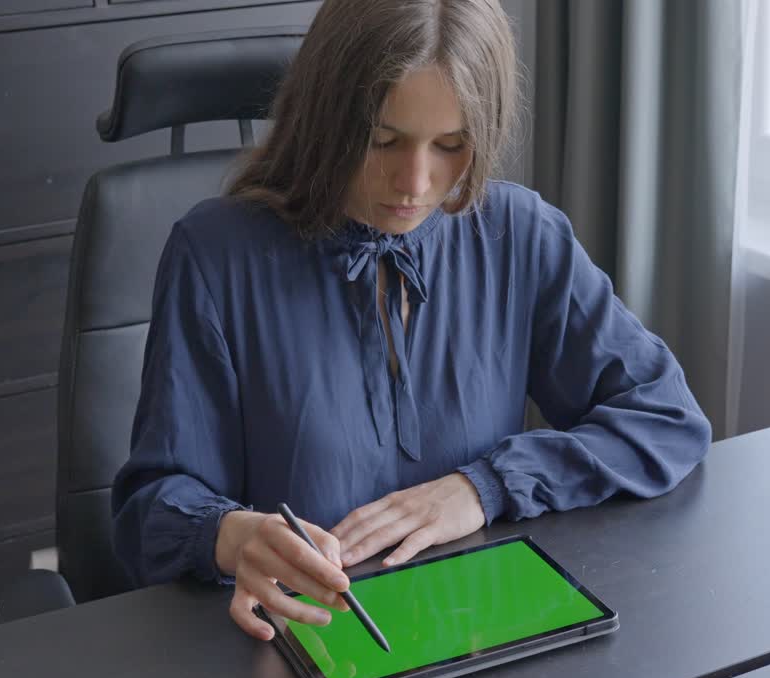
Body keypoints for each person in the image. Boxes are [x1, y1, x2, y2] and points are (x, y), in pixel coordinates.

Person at [112, 0, 712, 643]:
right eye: (382, 140)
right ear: (327, 120)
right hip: (294, 648)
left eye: (451, 146)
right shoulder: (216, 256)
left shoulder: (519, 235)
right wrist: (233, 537)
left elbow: (665, 418)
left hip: (475, 637)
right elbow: (149, 510)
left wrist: (483, 488)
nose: (415, 182)